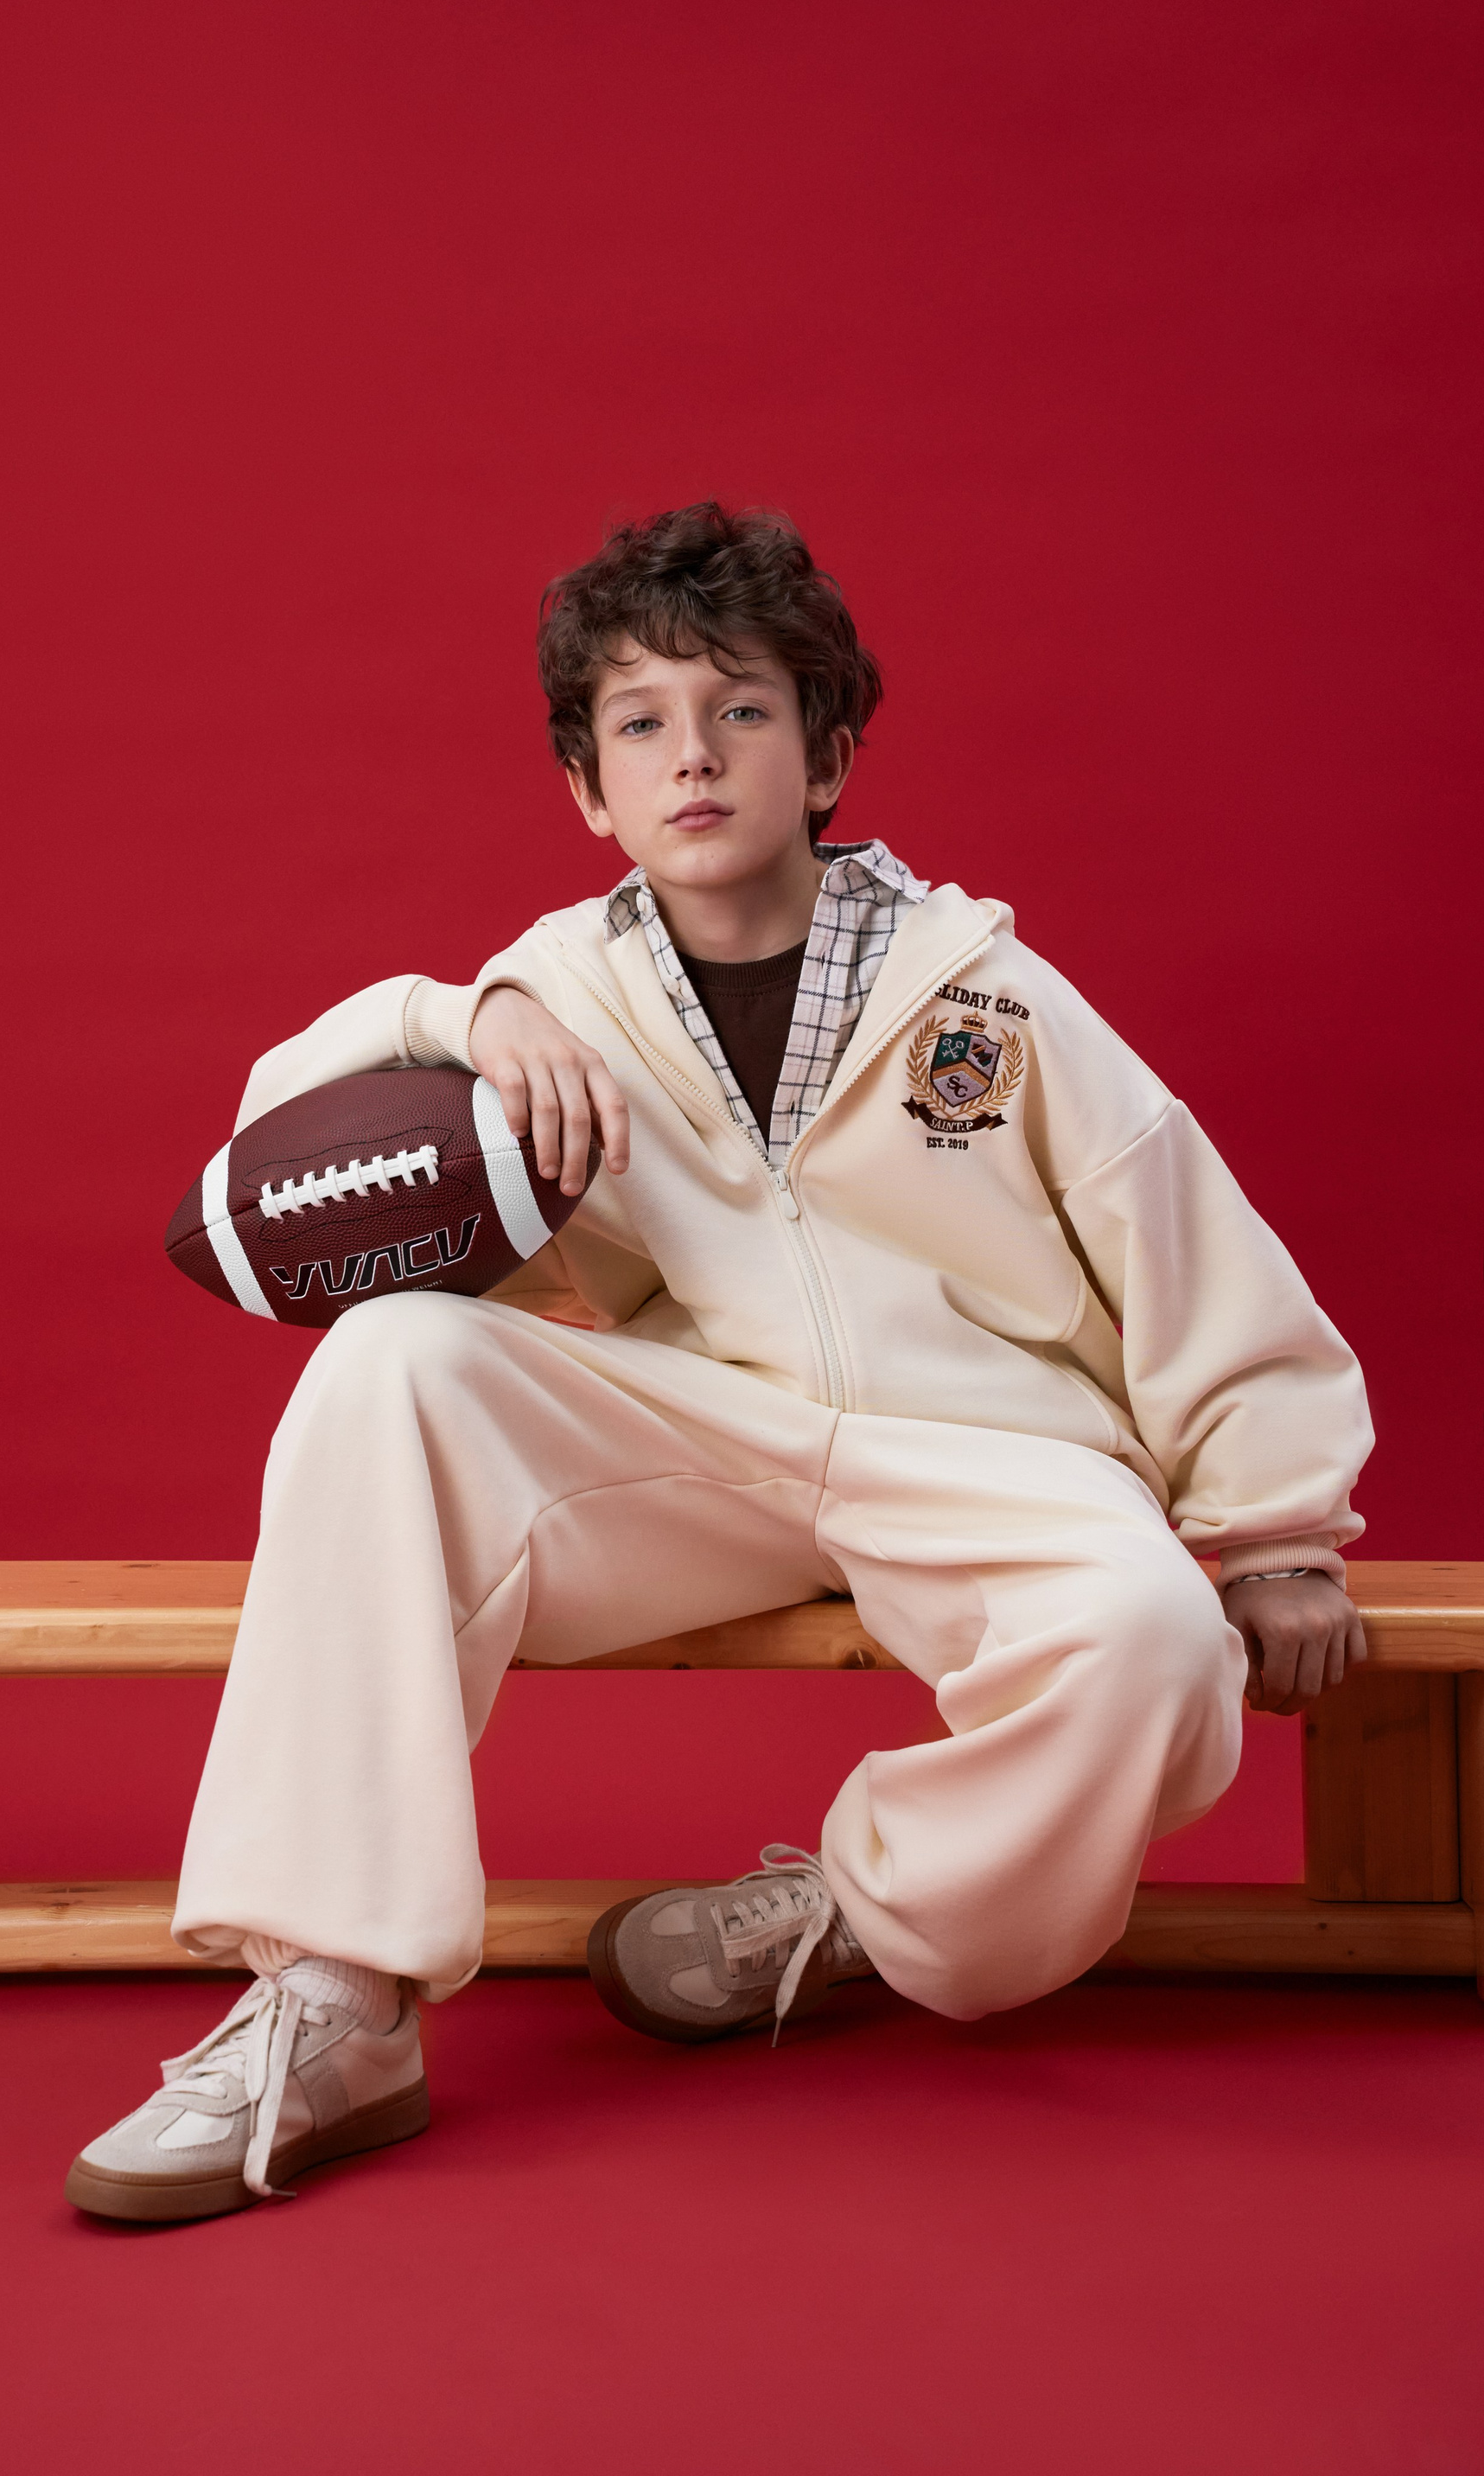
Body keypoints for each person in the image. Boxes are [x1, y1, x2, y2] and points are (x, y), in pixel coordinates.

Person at [66, 501, 1372, 2223]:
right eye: (641, 723)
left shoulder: (985, 996)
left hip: (990, 1460)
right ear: (590, 792)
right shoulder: (554, 993)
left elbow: (1185, 1243)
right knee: (393, 1358)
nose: (692, 754)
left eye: (740, 709)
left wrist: (1276, 1531)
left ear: (823, 757)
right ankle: (335, 1998)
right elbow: (259, 1147)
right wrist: (459, 1016)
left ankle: (866, 1908)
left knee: (1155, 1644)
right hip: (710, 1443)